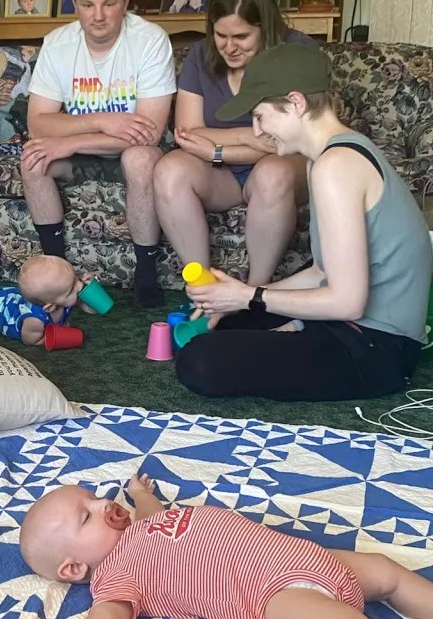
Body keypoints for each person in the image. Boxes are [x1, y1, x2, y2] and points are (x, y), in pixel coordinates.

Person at [175, 42, 433, 401]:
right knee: (228, 321)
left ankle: (296, 330)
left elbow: (348, 302)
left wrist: (250, 295)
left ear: (296, 103)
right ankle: (291, 328)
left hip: (377, 348)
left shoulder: (335, 166)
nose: (257, 131)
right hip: (351, 325)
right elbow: (322, 272)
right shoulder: (329, 156)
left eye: (260, 116)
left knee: (200, 361)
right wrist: (240, 299)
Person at [1, 472, 433, 619]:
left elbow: (154, 516)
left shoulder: (143, 527)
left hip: (304, 557)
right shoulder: (115, 579)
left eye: (95, 497)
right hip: (272, 599)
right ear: (74, 568)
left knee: (383, 569)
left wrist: (140, 495)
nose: (102, 505)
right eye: (87, 516)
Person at [22, 0, 176, 308]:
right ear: (75, 4)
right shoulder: (57, 43)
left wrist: (72, 140)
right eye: (88, 5)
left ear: (126, 1)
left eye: (109, 3)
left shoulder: (150, 40)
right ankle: (57, 272)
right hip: (85, 152)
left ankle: (146, 274)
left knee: (140, 158)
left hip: (129, 152)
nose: (98, 16)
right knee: (33, 159)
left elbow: (148, 134)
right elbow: (39, 124)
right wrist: (104, 120)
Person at [153, 0, 316, 287]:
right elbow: (187, 132)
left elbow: (290, 140)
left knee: (272, 174)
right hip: (223, 174)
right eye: (220, 35)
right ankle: (204, 287)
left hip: (283, 165)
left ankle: (254, 293)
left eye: (241, 36)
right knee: (168, 171)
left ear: (265, 28)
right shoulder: (200, 55)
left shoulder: (298, 52)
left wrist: (216, 149)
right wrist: (246, 140)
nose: (229, 47)